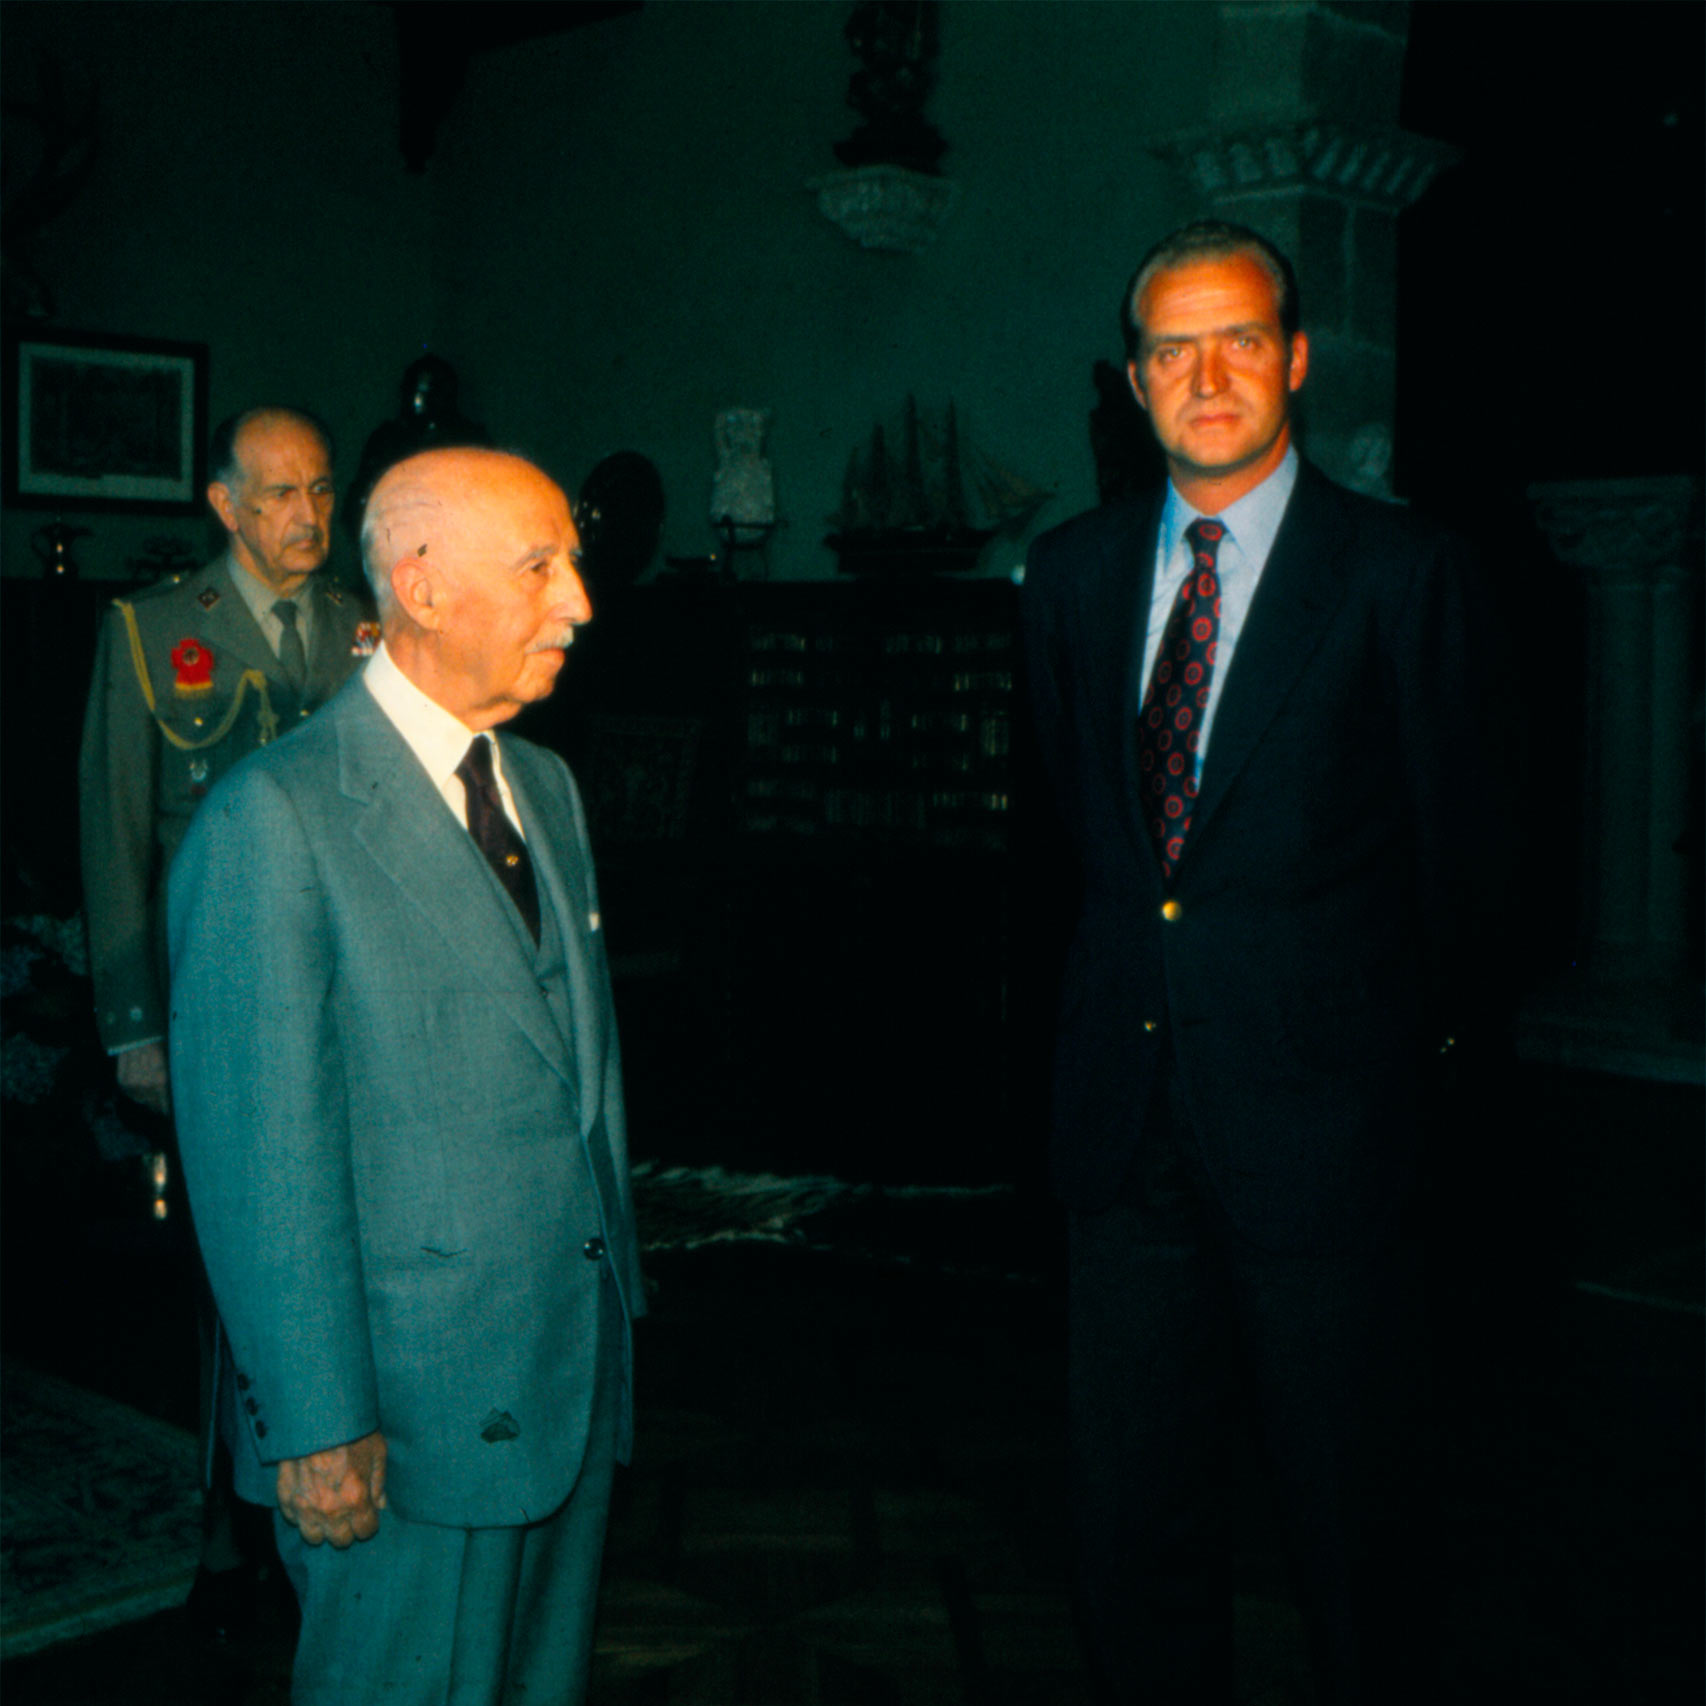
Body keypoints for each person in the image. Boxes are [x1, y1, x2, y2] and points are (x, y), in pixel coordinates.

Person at [1020, 221, 1506, 1703]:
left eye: (1238, 339)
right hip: (1122, 1135)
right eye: (1173, 347)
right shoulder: (1070, 573)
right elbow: (1054, 866)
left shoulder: (1401, 573)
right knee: (1131, 1526)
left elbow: (1470, 877)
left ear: (1295, 358)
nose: (1207, 373)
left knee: (1354, 1536)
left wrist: (1419, 1116)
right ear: (1131, 381)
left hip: (1329, 1147)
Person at [167, 445, 644, 1705]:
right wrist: (317, 1427)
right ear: (422, 590)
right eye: (541, 567)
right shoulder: (274, 819)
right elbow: (261, 1160)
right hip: (399, 1426)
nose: (579, 602)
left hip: (563, 1379)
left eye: (574, 566)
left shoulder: (542, 784)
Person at [78, 404, 368, 1635]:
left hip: (349, 1003)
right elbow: (112, 837)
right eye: (280, 492)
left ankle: (333, 1489)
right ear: (223, 505)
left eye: (320, 489)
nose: (306, 514)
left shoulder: (367, 622)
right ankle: (222, 1518)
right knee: (230, 1263)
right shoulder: (153, 632)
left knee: (336, 1249)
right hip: (211, 1010)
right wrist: (134, 1021)